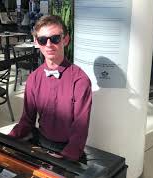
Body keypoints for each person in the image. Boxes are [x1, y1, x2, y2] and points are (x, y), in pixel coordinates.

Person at [9, 15, 92, 161]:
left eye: (54, 38)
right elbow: (27, 120)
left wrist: (65, 156)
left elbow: (80, 128)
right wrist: (5, 140)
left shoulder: (80, 80)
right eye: (42, 40)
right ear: (37, 42)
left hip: (67, 149)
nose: (48, 44)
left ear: (65, 40)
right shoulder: (34, 78)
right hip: (41, 143)